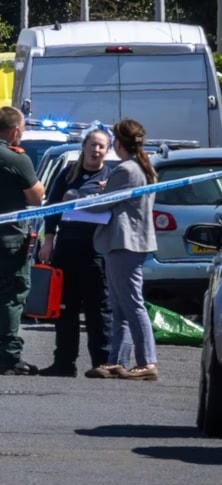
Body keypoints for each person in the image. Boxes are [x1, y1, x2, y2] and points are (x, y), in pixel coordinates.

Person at [85, 118, 159, 381]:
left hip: (124, 244)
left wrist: (76, 200)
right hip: (126, 243)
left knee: (132, 304)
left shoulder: (127, 170)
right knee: (119, 305)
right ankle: (117, 360)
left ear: (118, 142)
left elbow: (100, 205)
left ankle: (147, 361)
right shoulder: (140, 167)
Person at [37, 128, 114, 378]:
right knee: (65, 308)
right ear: (84, 146)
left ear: (107, 150)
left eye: (101, 146)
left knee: (97, 310)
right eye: (92, 145)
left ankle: (102, 362)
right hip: (67, 249)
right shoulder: (68, 174)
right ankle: (64, 363)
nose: (96, 150)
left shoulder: (111, 177)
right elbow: (52, 208)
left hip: (95, 252)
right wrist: (48, 241)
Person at [0, 106, 44, 376]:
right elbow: (36, 197)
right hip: (11, 239)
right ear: (15, 130)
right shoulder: (16, 158)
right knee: (12, 299)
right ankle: (10, 357)